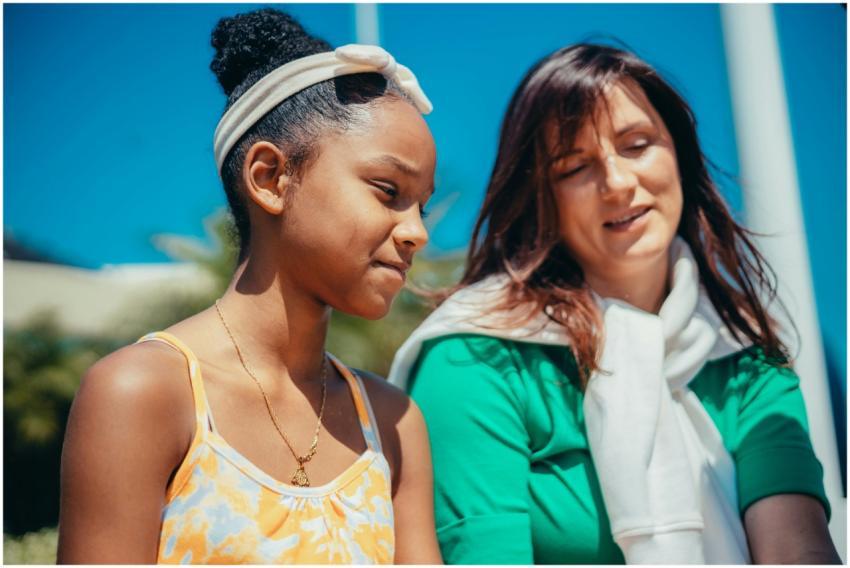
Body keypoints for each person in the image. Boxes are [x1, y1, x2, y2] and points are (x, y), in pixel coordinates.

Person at [388, 43, 839, 564]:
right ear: (542, 199)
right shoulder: (474, 359)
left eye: (636, 144)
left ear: (680, 155)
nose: (618, 184)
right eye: (575, 166)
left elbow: (797, 552)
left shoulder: (745, 361)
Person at [58, 8, 442, 564]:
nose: (416, 233)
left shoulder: (393, 422)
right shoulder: (143, 393)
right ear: (270, 178)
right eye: (388, 191)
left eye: (422, 207)